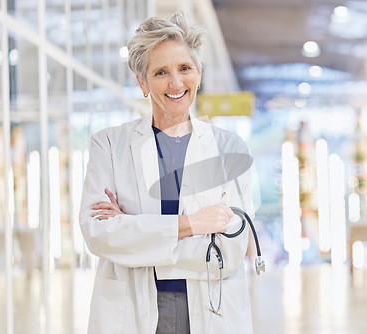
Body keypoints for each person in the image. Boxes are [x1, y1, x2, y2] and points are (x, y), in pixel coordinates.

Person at [79, 11, 256, 334]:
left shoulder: (230, 149)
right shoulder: (108, 144)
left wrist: (134, 230)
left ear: (199, 75)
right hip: (132, 310)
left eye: (185, 68)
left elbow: (230, 250)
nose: (176, 83)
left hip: (211, 308)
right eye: (160, 72)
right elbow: (99, 234)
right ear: (142, 82)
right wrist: (192, 225)